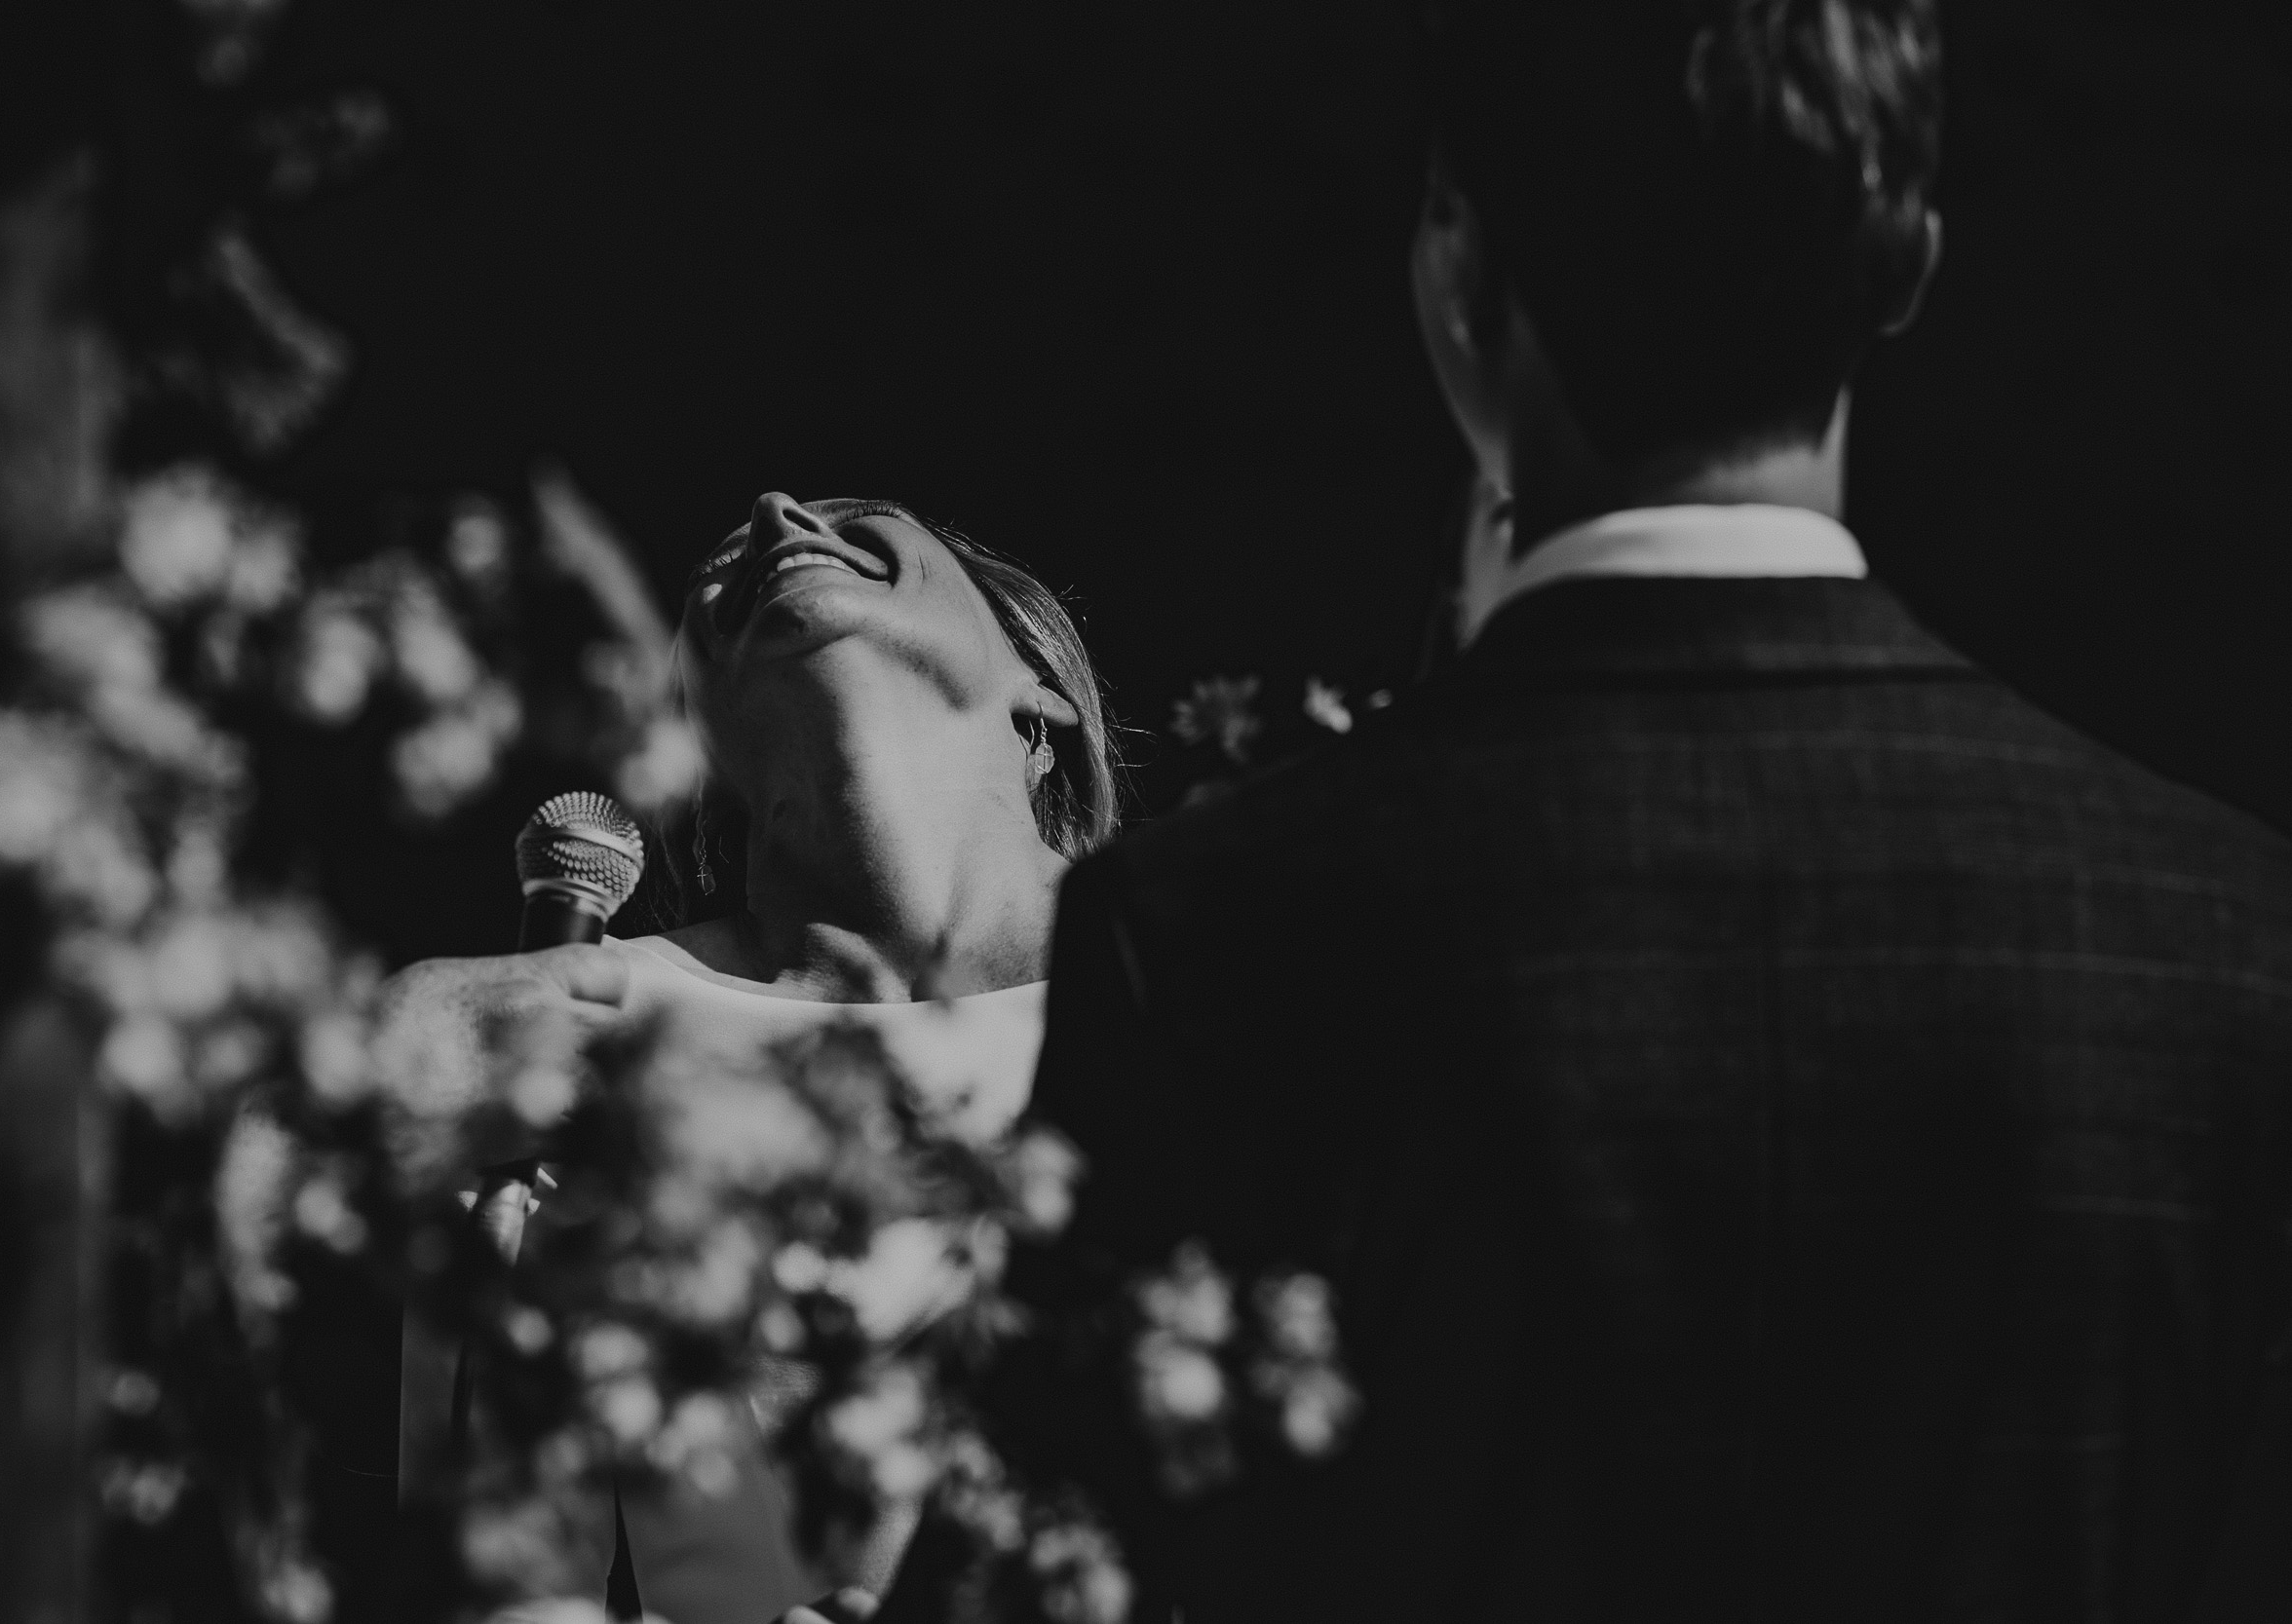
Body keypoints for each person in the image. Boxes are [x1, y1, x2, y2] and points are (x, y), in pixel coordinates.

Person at [975, 3, 2292, 1620]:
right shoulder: (2234, 944)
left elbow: (1041, 1576)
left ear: (1459, 277)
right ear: (1906, 266)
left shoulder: (1211, 934)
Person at [382, 490, 1125, 1624]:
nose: (775, 511)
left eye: (860, 520)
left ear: (1042, 696)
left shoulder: (1204, 974)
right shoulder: (567, 1036)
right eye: (715, 582)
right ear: (700, 744)